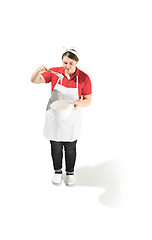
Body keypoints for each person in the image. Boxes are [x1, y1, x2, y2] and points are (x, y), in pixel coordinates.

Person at [31, 48, 92, 186]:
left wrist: (78, 103)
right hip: (54, 115)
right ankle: (57, 171)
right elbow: (34, 80)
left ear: (77, 62)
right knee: (55, 147)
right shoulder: (55, 72)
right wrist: (38, 70)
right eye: (65, 63)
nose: (67, 66)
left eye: (71, 63)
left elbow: (88, 100)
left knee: (70, 147)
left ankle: (70, 172)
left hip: (71, 116)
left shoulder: (83, 77)